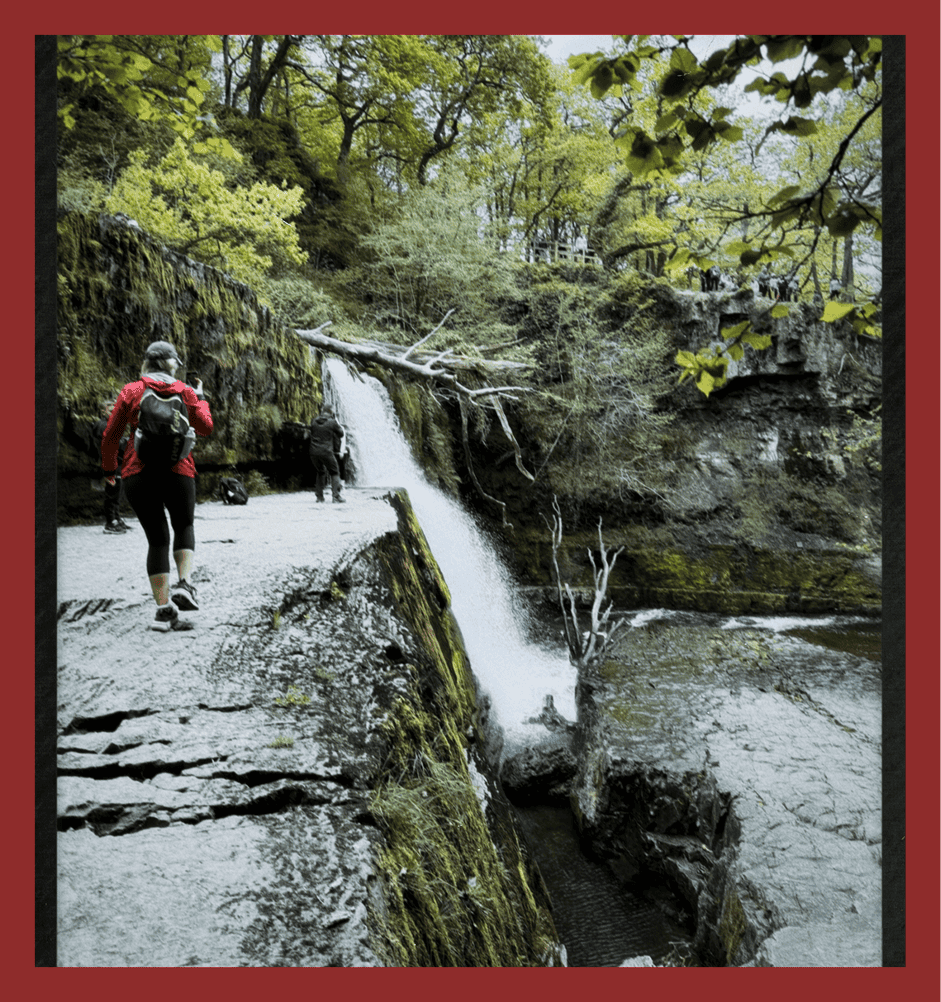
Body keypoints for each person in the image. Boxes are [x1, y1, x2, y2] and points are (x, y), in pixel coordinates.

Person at [101, 341, 213, 631]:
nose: (177, 364)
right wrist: (200, 398)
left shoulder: (132, 390)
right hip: (179, 470)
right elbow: (206, 427)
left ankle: (164, 611)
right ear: (168, 363)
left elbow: (111, 435)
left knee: (157, 540)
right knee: (184, 525)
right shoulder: (186, 391)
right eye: (175, 360)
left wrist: (109, 470)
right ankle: (185, 584)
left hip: (138, 471)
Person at [93, 398, 133, 534]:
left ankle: (116, 518)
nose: (113, 410)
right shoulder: (102, 425)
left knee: (117, 491)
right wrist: (127, 442)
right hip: (109, 464)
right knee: (112, 492)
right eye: (110, 408)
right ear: (103, 410)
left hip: (116, 463)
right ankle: (110, 522)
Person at [308, 405, 346, 504]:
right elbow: (341, 434)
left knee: (320, 471)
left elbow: (311, 432)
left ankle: (319, 497)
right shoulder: (332, 422)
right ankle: (336, 496)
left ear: (322, 411)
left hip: (313, 452)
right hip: (326, 451)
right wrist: (336, 422)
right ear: (331, 412)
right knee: (334, 471)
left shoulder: (314, 421)